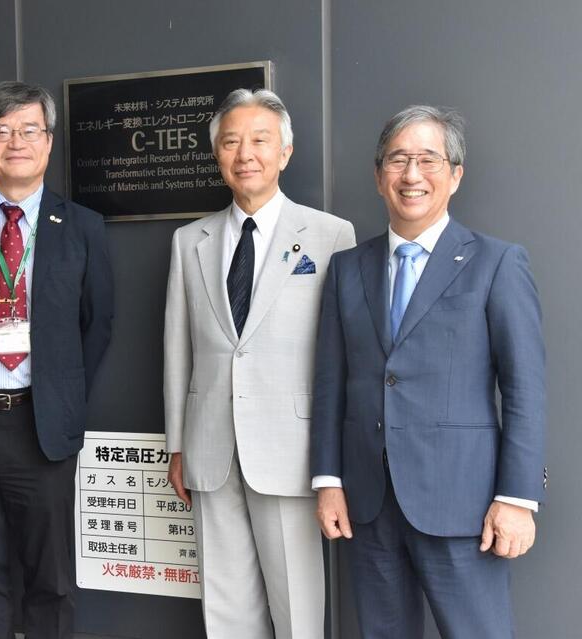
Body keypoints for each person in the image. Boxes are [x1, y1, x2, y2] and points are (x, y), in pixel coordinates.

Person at [311, 105, 546, 638]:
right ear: (378, 176)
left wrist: (516, 498)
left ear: (456, 174)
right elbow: (330, 383)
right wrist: (328, 480)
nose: (411, 175)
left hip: (463, 505)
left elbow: (525, 389)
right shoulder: (348, 268)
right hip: (368, 501)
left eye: (427, 160)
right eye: (398, 160)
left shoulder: (496, 262)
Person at [164, 88, 355, 638]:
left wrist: (332, 461)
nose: (245, 153)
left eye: (259, 140)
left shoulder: (330, 235)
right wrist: (178, 444)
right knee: (224, 609)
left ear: (285, 152)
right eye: (231, 142)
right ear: (217, 155)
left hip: (291, 453)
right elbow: (178, 350)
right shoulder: (188, 241)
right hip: (210, 449)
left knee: (297, 610)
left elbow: (341, 356)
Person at [0, 80, 114, 639]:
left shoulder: (82, 226)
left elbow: (97, 323)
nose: (16, 142)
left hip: (41, 424)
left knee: (50, 579)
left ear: (48, 142)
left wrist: (61, 396)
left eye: (29, 129)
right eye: (1, 131)